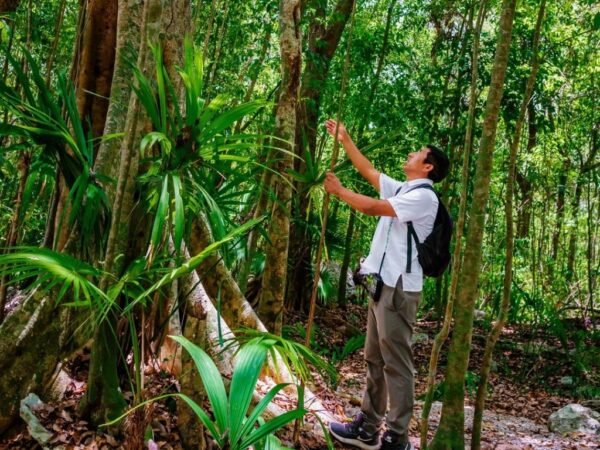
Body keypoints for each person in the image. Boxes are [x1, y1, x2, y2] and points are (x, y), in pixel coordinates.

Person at [323, 119, 449, 450]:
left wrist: (338, 192)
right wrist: (345, 139)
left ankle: (397, 437)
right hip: (382, 285)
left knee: (396, 362)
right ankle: (368, 427)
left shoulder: (424, 198)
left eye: (418, 152)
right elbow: (370, 172)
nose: (411, 153)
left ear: (428, 166)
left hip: (399, 289)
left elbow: (373, 207)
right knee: (374, 358)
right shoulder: (405, 188)